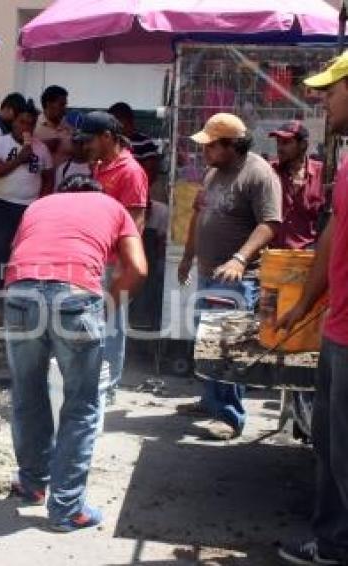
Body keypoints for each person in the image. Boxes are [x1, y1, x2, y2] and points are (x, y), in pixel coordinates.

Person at [4, 174, 147, 532]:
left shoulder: (39, 205)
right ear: (96, 192)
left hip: (20, 294)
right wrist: (108, 307)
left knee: (27, 392)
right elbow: (138, 269)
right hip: (75, 296)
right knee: (81, 405)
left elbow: (21, 255)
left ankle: (32, 483)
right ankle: (67, 509)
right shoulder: (113, 206)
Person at [275, 54, 348, 566]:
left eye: (331, 89)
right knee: (331, 444)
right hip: (337, 327)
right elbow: (331, 236)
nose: (323, 98)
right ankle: (333, 541)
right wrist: (305, 302)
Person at [176, 113, 281, 441]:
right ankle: (210, 402)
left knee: (227, 346)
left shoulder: (259, 174)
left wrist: (240, 258)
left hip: (237, 278)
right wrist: (187, 257)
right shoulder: (213, 173)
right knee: (206, 343)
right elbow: (199, 216)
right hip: (208, 273)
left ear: (231, 145)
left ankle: (230, 417)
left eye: (211, 145)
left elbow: (270, 224)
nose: (204, 151)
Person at [76, 111, 149, 405]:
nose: (85, 146)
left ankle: (109, 387)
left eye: (89, 140)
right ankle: (94, 381)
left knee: (112, 326)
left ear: (107, 137)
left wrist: (124, 265)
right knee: (95, 323)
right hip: (95, 260)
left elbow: (136, 221)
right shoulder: (100, 166)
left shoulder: (130, 171)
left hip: (113, 262)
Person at [0, 100, 53, 297]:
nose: (26, 127)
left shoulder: (41, 149)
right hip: (1, 205)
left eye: (30, 123)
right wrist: (19, 159)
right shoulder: (0, 143)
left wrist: (41, 203)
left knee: (24, 254)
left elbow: (48, 177)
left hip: (29, 209)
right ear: (13, 123)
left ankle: (18, 295)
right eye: (22, 122)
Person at [268, 120, 325, 250]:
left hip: (308, 256)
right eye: (278, 142)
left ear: (303, 145)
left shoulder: (323, 174)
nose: (280, 148)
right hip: (273, 256)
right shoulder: (269, 171)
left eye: (286, 143)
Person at [108, 102, 161, 186]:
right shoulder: (111, 141)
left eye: (115, 120)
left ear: (126, 120)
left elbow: (151, 171)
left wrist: (137, 185)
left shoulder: (144, 142)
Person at [35, 85, 71, 167]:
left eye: (65, 105)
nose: (65, 109)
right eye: (61, 105)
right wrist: (43, 146)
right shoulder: (33, 127)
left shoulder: (67, 127)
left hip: (65, 178)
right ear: (49, 104)